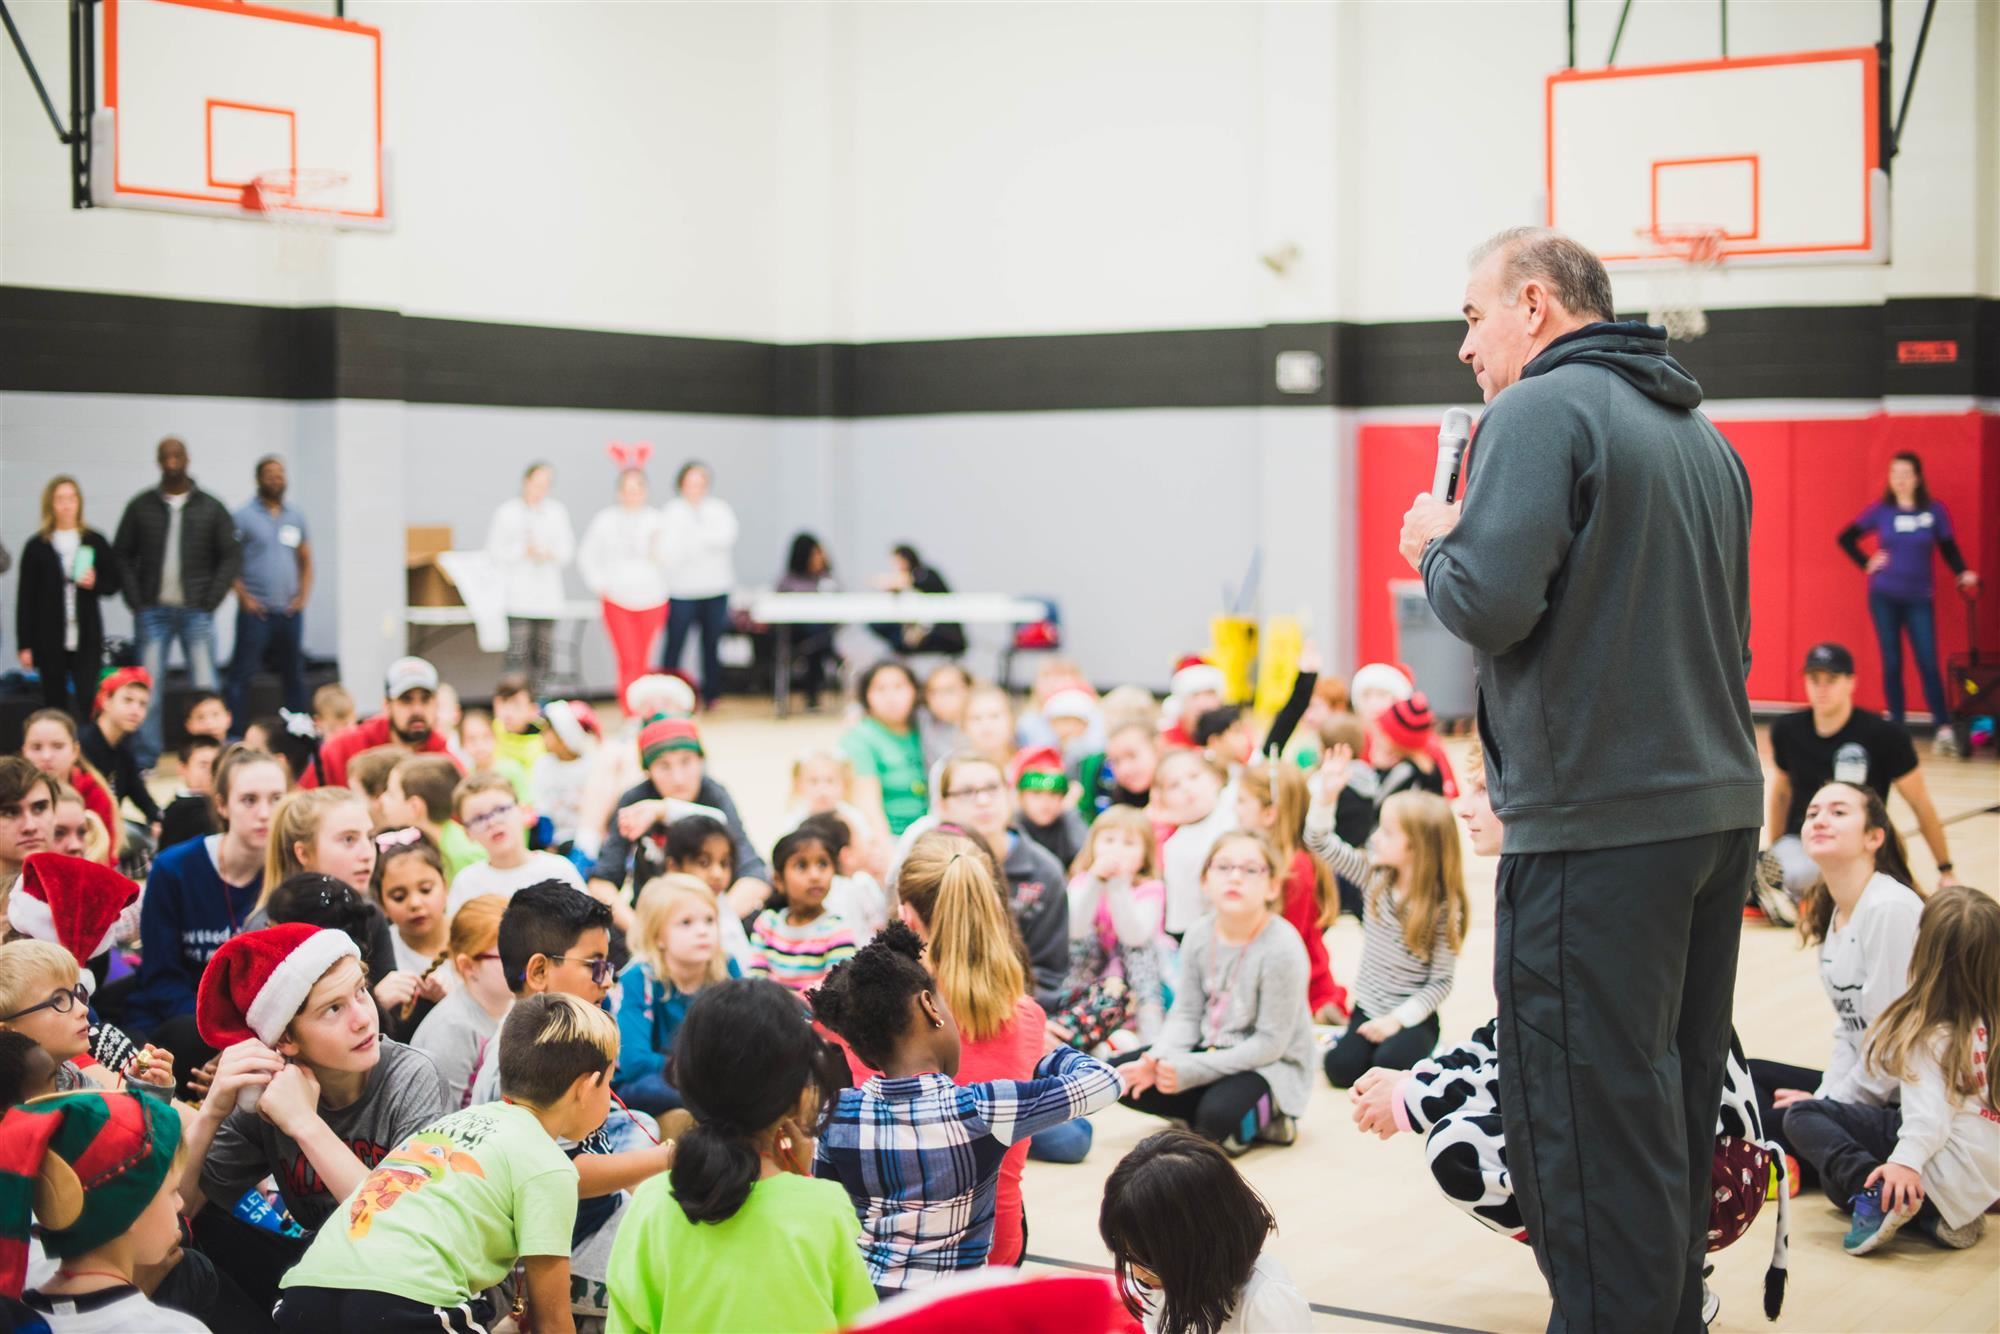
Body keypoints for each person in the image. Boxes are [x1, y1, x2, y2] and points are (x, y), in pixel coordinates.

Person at [1401, 226, 1763, 1331]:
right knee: (1666, 1102)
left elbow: (1488, 602)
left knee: (1582, 1121)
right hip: (1710, 817)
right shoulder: (1702, 435)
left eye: (1470, 316)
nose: (1464, 346)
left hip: (1597, 830)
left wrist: (1434, 539)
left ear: (1530, 303)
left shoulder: (1536, 411)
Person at [1351, 746, 1790, 1329]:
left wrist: (1412, 1098)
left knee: (1458, 1147)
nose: (1464, 807)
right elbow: (1511, 1038)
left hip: (1711, 1172)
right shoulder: (1563, 877)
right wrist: (1418, 1082)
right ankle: (1648, 1278)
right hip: (1687, 1154)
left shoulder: (1568, 897)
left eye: (1484, 792)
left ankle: (1616, 1277)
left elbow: (1538, 1060)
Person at [274, 992, 615, 1334]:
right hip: (405, 1300)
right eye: (610, 1084)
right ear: (587, 1088)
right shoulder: (549, 1163)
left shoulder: (453, 1124)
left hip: (306, 1293)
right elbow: (552, 1321)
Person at [808, 923, 1119, 1293]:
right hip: (950, 1310)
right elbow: (1105, 1082)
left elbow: (829, 1214)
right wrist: (1045, 1053)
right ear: (929, 1005)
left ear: (862, 1051)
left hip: (867, 1307)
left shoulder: (837, 1116)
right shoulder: (980, 1110)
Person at [180, 923, 451, 1306]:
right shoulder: (271, 1091)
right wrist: (212, 1112)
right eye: (334, 1009)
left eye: (360, 991)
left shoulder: (411, 1076)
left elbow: (401, 1235)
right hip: (323, 1270)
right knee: (196, 1254)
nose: (362, 1018)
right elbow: (179, 1215)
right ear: (286, 1039)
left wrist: (305, 1123)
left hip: (406, 1287)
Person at [605, 978, 875, 1333]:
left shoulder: (650, 1204)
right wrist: (802, 1180)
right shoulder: (825, 1208)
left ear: (685, 1080)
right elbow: (864, 1323)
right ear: (796, 1097)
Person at [859, 830, 1063, 1248]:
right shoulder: (1027, 1016)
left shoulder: (869, 1015)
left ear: (907, 915)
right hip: (996, 1245)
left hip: (895, 1249)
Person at [1786, 886, 1999, 1255]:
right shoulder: (1992, 1027)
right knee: (1839, 1179)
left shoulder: (1930, 1034)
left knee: (1802, 1117)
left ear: (1924, 953)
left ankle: (1880, 1195)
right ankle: (1938, 1217)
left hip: (1931, 1176)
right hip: (1979, 1183)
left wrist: (1903, 1164)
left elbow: (1927, 1117)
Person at [1747, 782, 1924, 1183]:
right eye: (1812, 813)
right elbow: (1850, 1031)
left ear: (1874, 837)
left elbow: (1891, 1044)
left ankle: (1824, 1168)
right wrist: (1827, 1096)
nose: (1820, 820)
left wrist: (1827, 1103)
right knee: (1749, 1076)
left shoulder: (1889, 908)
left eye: (1839, 812)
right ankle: (1794, 1159)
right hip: (1871, 1086)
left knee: (1760, 1121)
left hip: (1908, 1103)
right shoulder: (1837, 911)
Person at [1117, 833, 1315, 1154]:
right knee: (1124, 1076)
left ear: (1272, 886)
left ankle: (1272, 1115)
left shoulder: (1282, 947)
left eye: (1251, 870)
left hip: (1268, 1065)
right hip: (1209, 1049)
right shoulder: (1199, 933)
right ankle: (1213, 1112)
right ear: (1205, 881)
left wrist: (1190, 1070)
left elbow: (1270, 1044)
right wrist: (1157, 1058)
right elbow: (1186, 1014)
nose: (1235, 876)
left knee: (1215, 1119)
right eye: (1223, 866)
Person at [1763, 642, 1958, 916]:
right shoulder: (1787, 730)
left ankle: (1804, 897)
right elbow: (1781, 794)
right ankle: (1791, 893)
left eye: (1831, 680)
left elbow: (1920, 802)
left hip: (1861, 845)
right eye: (1814, 679)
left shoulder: (1885, 736)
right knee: (1776, 868)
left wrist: (1945, 869)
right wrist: (1776, 849)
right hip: (1805, 841)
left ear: (1851, 682)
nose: (1821, 688)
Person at [125, 747, 284, 1077]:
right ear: (223, 805)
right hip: (184, 1019)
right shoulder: (175, 868)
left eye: (276, 799)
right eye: (249, 800)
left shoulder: (291, 871)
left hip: (260, 1030)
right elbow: (161, 977)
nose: (265, 813)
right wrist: (226, 1041)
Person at [1, 1089, 206, 1332]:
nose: (180, 1204)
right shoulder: (172, 1330)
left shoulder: (22, 1302)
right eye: (172, 1191)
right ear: (130, 1206)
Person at [1309, 784, 1467, 1088]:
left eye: (1387, 833)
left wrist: (1397, 1020)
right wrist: (1325, 796)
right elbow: (1320, 842)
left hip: (1412, 1017)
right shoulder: (1373, 876)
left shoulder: (1444, 908)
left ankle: (1434, 1049)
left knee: (1390, 1064)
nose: (1374, 838)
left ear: (1417, 847)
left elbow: (1441, 983)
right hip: (1368, 1007)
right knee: (1341, 1069)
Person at [1098, 1129, 1312, 1334]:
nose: (1137, 1273)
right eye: (1127, 1255)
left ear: (1199, 1244)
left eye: (1149, 1260)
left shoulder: (1266, 1302)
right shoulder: (1160, 1288)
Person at [1837, 450, 1982, 753]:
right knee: (1892, 662)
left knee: (1928, 662)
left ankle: (1943, 728)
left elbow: (1948, 547)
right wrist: (1866, 562)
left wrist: (1962, 572)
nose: (1900, 480)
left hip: (1919, 598)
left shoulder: (1934, 511)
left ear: (1917, 478)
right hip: (1884, 596)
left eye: (1906, 474)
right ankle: (1897, 729)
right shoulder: (1882, 511)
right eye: (1895, 474)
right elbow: (1846, 537)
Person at [112, 436, 242, 769]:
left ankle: (212, 758)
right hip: (152, 611)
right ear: (158, 461)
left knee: (206, 689)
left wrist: (210, 600)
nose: (172, 461)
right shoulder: (141, 506)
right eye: (165, 456)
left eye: (177, 455)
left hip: (197, 611)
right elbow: (122, 555)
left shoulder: (210, 506)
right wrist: (136, 601)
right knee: (149, 694)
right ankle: (145, 760)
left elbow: (230, 556)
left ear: (187, 459)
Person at [589, 717, 768, 932]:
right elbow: (601, 881)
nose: (678, 778)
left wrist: (711, 924)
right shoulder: (635, 800)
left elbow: (756, 876)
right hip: (653, 918)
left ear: (701, 761)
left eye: (686, 761)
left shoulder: (714, 795)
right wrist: (640, 931)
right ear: (648, 771)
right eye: (664, 766)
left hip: (712, 917)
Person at [933, 753, 1068, 1011]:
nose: (983, 801)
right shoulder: (928, 866)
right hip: (946, 1009)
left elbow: (1049, 973)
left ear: (1009, 794)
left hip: (1021, 1008)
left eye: (992, 788)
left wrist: (1022, 1016)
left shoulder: (1045, 872)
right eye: (966, 792)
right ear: (944, 806)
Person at [612, 875, 740, 1116]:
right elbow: (634, 1062)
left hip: (711, 1077)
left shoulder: (726, 967)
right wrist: (702, 1071)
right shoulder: (638, 978)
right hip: (655, 1080)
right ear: (658, 936)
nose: (702, 931)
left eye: (709, 920)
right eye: (686, 923)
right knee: (657, 1090)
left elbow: (744, 1035)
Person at [1236, 761, 1346, 1023]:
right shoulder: (1260, 854)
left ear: (1269, 814)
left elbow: (1288, 941)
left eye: (1241, 801)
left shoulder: (1296, 868)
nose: (1234, 809)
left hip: (1297, 981)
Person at [1053, 806, 1168, 1049]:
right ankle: (1072, 1019)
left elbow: (1134, 936)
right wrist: (1095, 881)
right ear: (1093, 845)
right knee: (1081, 942)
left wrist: (1118, 885)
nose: (1116, 849)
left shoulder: (1150, 889)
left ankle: (1151, 1038)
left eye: (1129, 843)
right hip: (1091, 977)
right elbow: (1073, 929)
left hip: (1135, 980)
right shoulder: (1083, 882)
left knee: (1139, 950)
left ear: (1145, 853)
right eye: (1108, 840)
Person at [14, 476, 122, 719]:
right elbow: (26, 599)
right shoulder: (37, 546)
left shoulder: (94, 540)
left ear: (79, 503)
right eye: (60, 499)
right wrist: (25, 644)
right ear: (50, 504)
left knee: (87, 697)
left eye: (72, 498)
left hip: (86, 635)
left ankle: (86, 750)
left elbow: (113, 583)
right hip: (49, 637)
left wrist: (95, 583)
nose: (66, 505)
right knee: (54, 700)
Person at [226, 455, 314, 723]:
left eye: (280, 473)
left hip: (289, 612)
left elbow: (306, 560)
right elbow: (229, 562)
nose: (276, 478)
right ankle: (235, 733)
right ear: (258, 479)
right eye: (270, 473)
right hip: (256, 612)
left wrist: (302, 597)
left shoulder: (295, 516)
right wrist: (244, 598)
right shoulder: (243, 516)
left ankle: (299, 732)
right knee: (242, 675)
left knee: (294, 675)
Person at [579, 459, 669, 711]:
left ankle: (645, 710)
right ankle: (631, 712)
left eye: (637, 489)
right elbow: (587, 556)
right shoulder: (605, 521)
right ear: (619, 492)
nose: (632, 495)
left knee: (643, 659)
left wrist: (657, 549)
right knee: (628, 659)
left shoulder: (657, 520)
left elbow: (670, 559)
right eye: (627, 489)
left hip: (652, 599)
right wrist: (601, 585)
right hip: (617, 599)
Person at [410, 893, 511, 1110]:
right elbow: (440, 1123)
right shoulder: (453, 1028)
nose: (524, 962)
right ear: (468, 966)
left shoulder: (514, 1005)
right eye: (508, 955)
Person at [485, 461, 575, 697]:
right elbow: (494, 552)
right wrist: (521, 550)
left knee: (544, 655)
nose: (540, 489)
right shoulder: (508, 512)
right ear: (526, 483)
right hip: (517, 597)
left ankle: (539, 704)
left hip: (547, 598)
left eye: (546, 485)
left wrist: (548, 553)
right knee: (517, 654)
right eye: (536, 484)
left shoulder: (556, 512)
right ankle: (512, 704)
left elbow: (566, 551)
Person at [657, 461, 738, 708]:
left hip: (715, 589)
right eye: (691, 482)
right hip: (681, 591)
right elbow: (669, 549)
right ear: (681, 484)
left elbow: (725, 537)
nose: (696, 488)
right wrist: (698, 540)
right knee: (675, 645)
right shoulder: (671, 512)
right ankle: (666, 695)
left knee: (711, 645)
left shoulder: (719, 509)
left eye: (700, 483)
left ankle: (712, 694)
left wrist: (694, 538)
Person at [444, 771, 586, 911]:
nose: (492, 822)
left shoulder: (559, 869)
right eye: (479, 818)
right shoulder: (466, 883)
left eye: (500, 810)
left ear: (523, 811)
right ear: (467, 833)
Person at [306, 657, 456, 789]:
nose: (417, 710)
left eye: (425, 699)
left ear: (436, 704)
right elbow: (302, 804)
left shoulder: (447, 766)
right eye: (406, 699)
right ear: (387, 706)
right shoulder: (342, 749)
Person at [747, 825, 858, 993]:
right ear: (778, 880)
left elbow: (836, 992)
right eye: (801, 866)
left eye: (822, 864)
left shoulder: (837, 932)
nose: (815, 875)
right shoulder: (767, 924)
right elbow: (755, 981)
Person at [19, 710, 122, 867]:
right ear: (24, 752)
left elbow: (105, 858)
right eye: (36, 747)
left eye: (57, 746)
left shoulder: (95, 793)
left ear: (75, 751)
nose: (46, 756)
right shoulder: (10, 795)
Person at [841, 660, 931, 838]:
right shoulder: (860, 737)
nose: (891, 697)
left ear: (915, 691)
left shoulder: (926, 729)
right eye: (880, 689)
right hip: (887, 837)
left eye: (899, 687)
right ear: (866, 696)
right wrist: (887, 851)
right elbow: (867, 803)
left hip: (931, 833)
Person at [1156, 750, 1236, 939]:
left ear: (1215, 779)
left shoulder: (1235, 803)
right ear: (1162, 801)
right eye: (1174, 785)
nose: (1186, 787)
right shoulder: (1175, 850)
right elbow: (1184, 922)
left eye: (1194, 776)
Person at [79, 668, 161, 830]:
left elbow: (142, 797)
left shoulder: (123, 750)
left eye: (142, 704)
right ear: (105, 701)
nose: (136, 710)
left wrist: (160, 820)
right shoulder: (83, 745)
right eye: (128, 700)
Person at [772, 531, 840, 712]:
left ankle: (824, 649)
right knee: (817, 639)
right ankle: (831, 653)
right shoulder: (788, 582)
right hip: (795, 634)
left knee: (818, 639)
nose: (819, 558)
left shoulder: (827, 580)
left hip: (820, 632)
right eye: (815, 554)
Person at [382, 755, 483, 879]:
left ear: (415, 807)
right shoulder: (432, 842)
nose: (382, 799)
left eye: (391, 794)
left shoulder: (462, 855)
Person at [1011, 746, 1085, 870]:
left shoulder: (1067, 821)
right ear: (1020, 797)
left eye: (1053, 794)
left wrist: (1070, 812)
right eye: (1036, 793)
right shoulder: (1013, 827)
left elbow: (1085, 855)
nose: (1045, 802)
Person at [1078, 720, 1160, 824]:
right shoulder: (1116, 802)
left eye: (1132, 755)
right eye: (1115, 761)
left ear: (1157, 748)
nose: (1124, 769)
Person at [158, 734, 223, 853]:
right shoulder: (179, 810)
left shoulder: (220, 805)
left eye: (215, 765)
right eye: (203, 765)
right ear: (183, 769)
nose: (211, 772)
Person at [1160, 657, 1226, 751]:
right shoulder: (1166, 740)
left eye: (1209, 693)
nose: (1203, 703)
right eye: (1195, 695)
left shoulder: (1232, 735)